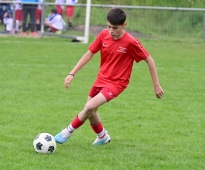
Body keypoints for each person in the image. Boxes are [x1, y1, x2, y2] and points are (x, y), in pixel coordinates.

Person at [54, 8, 164, 146]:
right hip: (101, 79)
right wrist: (72, 73)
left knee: (89, 106)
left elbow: (150, 60)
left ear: (124, 25)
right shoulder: (103, 35)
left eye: (115, 28)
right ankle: (102, 137)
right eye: (109, 27)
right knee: (91, 110)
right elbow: (89, 53)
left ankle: (66, 132)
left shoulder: (131, 42)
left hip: (117, 83)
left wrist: (156, 85)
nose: (111, 31)